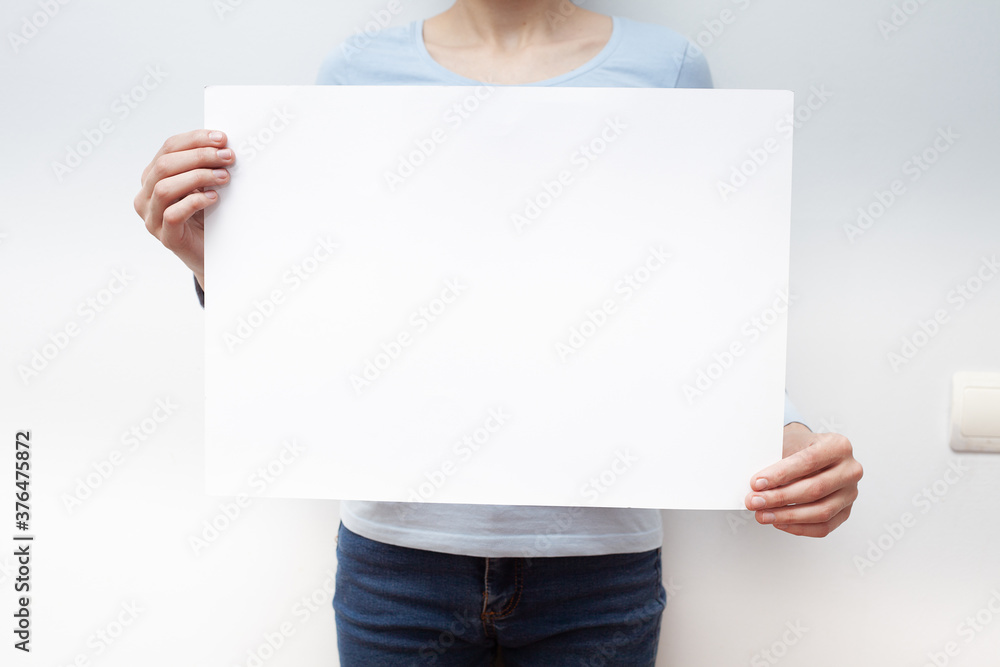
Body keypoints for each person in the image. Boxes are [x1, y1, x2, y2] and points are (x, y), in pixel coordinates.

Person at [134, 1, 863, 664]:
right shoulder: (356, 72)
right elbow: (325, 319)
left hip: (598, 569)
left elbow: (706, 302)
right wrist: (214, 264)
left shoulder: (666, 69)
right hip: (397, 564)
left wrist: (788, 438)